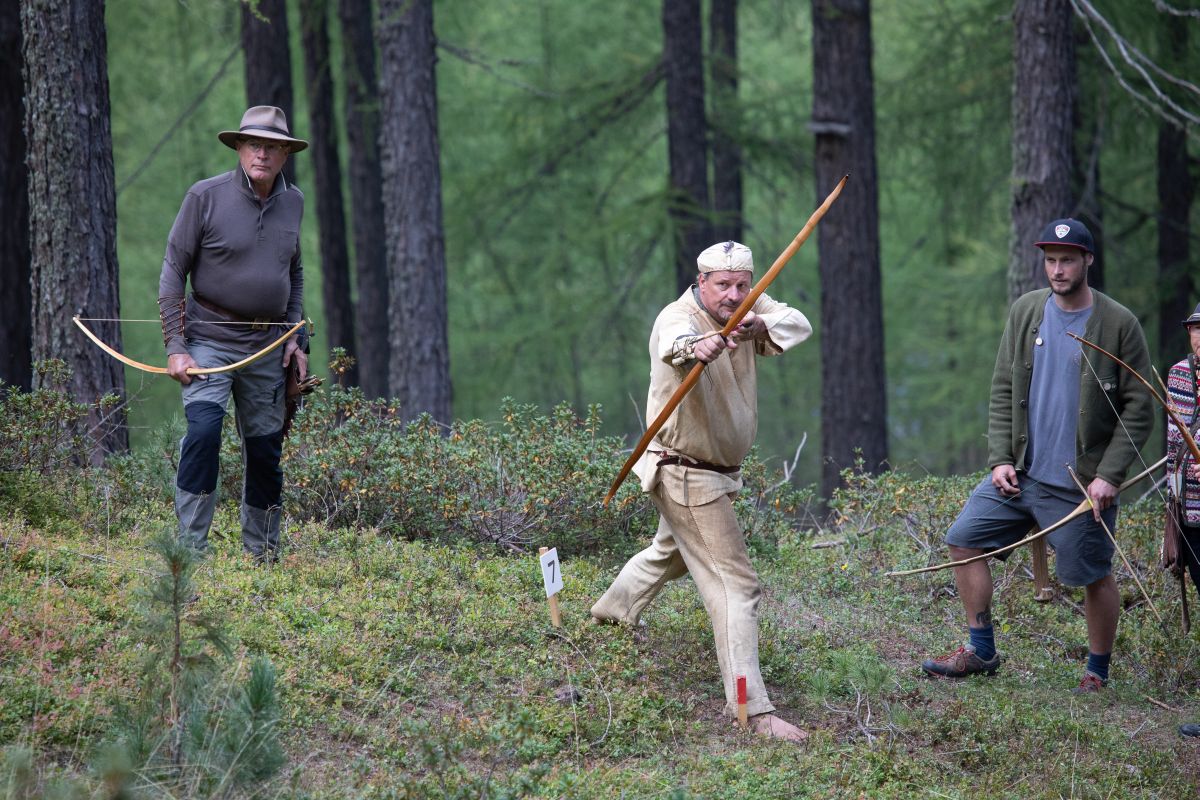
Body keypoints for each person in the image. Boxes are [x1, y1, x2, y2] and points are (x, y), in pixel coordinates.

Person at [591, 241, 813, 742]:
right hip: (686, 473)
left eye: (742, 284)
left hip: (714, 473)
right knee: (737, 587)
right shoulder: (678, 316)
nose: (734, 295)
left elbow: (798, 324)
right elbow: (675, 342)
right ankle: (751, 709)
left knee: (669, 554)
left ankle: (610, 613)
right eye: (723, 286)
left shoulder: (753, 306)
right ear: (702, 281)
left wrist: (758, 325)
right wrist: (699, 347)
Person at [921, 218, 1153, 693]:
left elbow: (1139, 406)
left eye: (1067, 259)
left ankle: (1097, 673)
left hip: (1078, 486)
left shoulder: (1118, 323)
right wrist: (1000, 458)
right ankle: (980, 649)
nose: (1058, 269)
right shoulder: (1028, 311)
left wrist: (1109, 475)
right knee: (963, 540)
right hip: (1020, 474)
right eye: (1050, 260)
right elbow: (1004, 385)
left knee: (1091, 575)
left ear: (1088, 260)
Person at [157, 106, 309, 563]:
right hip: (207, 342)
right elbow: (172, 272)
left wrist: (293, 336)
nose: (263, 154)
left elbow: (294, 273)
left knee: (265, 450)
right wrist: (176, 348)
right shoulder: (204, 196)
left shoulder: (293, 202)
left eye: (273, 147)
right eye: (254, 144)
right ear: (239, 148)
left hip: (267, 348)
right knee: (203, 433)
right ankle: (189, 556)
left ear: (285, 154)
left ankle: (262, 556)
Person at [1166, 304, 1200, 737]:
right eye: (1195, 330)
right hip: (1190, 512)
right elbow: (1174, 443)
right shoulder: (1177, 375)